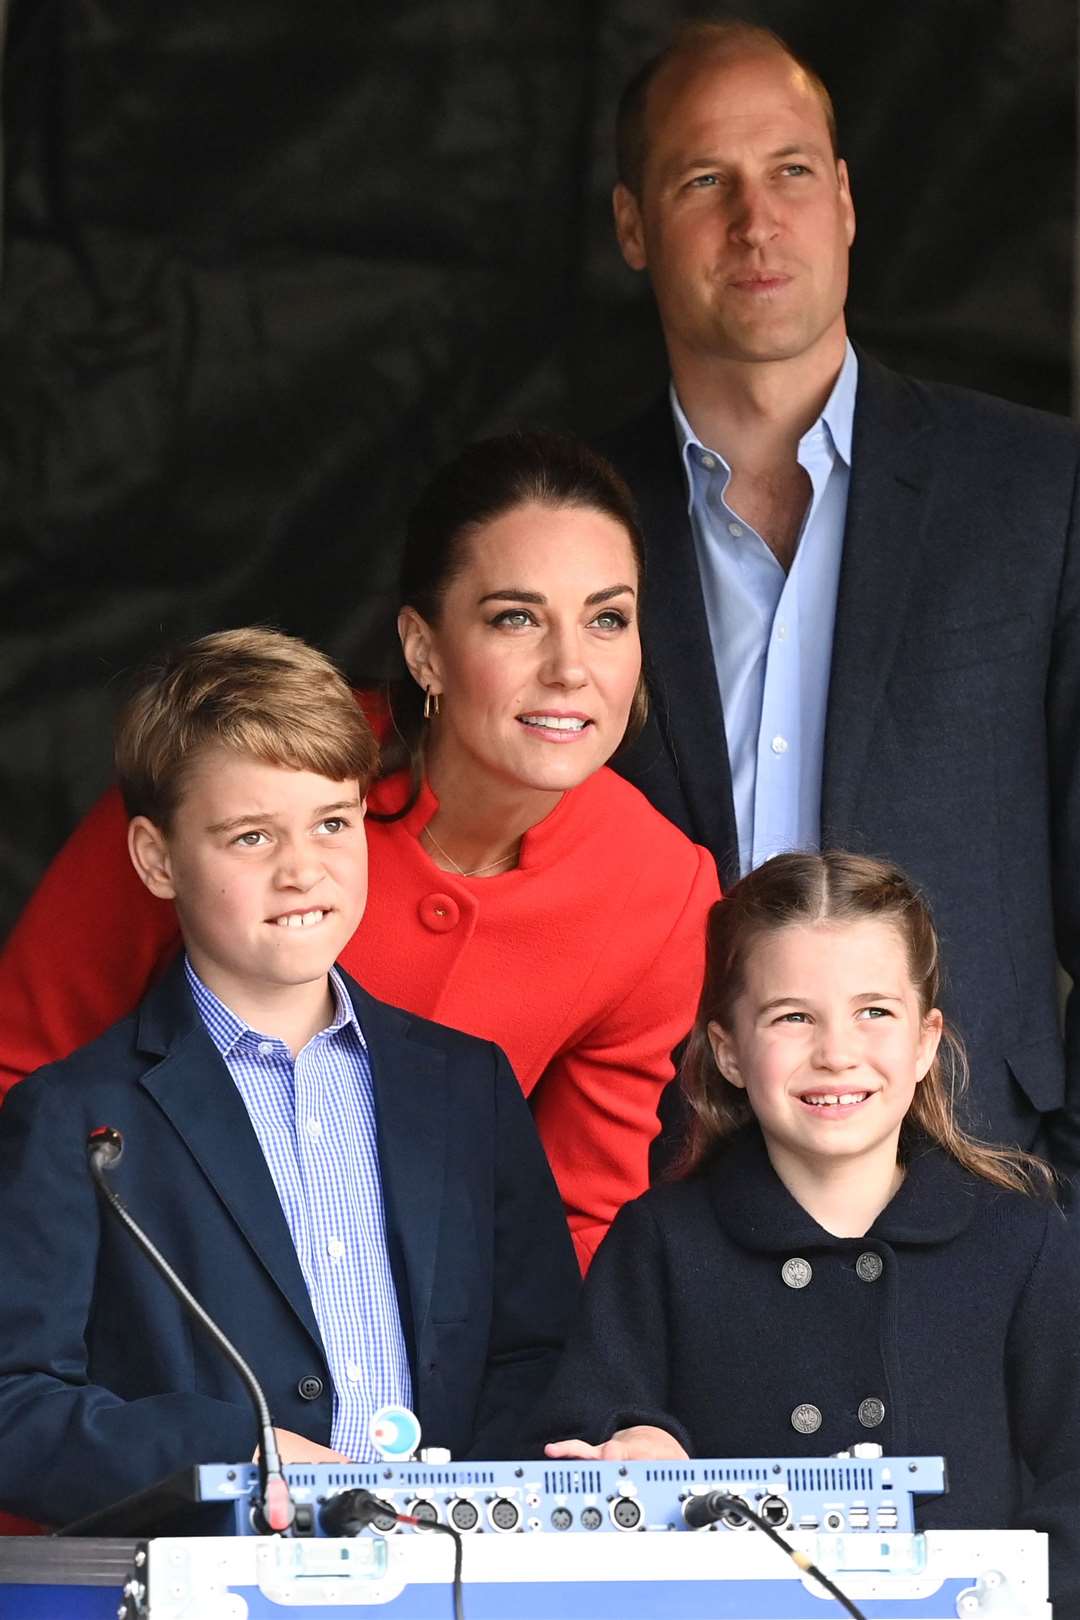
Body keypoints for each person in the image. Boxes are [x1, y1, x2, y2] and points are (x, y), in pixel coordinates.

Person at [0, 431, 720, 1270]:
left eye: (608, 618)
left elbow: (574, 1223)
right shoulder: (246, 773)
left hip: (429, 1359)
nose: (570, 667)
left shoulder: (664, 893)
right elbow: (21, 1070)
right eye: (516, 618)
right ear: (424, 649)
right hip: (158, 1308)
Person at [600, 20, 1080, 1173]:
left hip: (976, 1177)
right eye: (705, 180)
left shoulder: (1037, 491)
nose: (755, 222)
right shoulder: (568, 518)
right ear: (633, 227)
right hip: (655, 1181)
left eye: (792, 173)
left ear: (848, 201)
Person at [0, 627, 580, 1529]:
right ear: (157, 860)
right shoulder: (73, 1116)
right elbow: (14, 1407)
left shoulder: (467, 1089)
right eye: (250, 836)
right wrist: (229, 1455)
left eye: (333, 823)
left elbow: (541, 1354)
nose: (302, 869)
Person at [541, 852, 1080, 1613]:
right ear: (727, 1049)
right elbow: (578, 1433)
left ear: (926, 1042)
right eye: (793, 1016)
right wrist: (634, 1443)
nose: (836, 1053)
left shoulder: (1019, 1243)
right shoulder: (659, 1242)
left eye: (874, 1012)